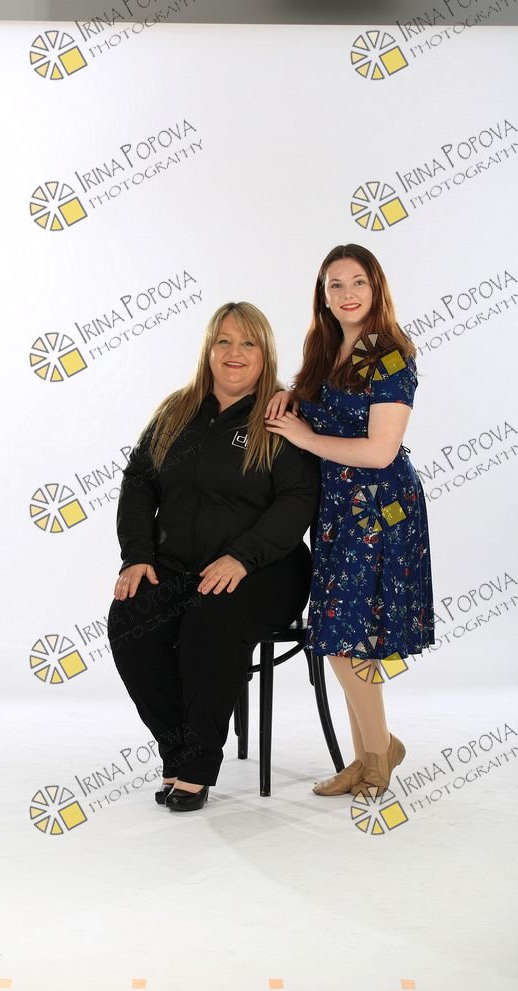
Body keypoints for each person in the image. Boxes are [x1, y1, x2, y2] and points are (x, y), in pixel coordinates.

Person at [108, 302, 319, 812]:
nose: (234, 353)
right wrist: (137, 555)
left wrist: (242, 557)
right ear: (208, 349)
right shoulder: (176, 411)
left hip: (267, 568)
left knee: (211, 619)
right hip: (179, 565)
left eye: (247, 342)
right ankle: (177, 750)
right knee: (130, 620)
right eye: (223, 341)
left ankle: (197, 767)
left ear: (265, 353)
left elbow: (298, 499)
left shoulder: (280, 416)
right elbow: (139, 483)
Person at [265, 245, 434, 797]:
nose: (347, 294)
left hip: (380, 508)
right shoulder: (325, 349)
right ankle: (367, 755)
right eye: (334, 285)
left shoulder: (389, 355)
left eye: (357, 282)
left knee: (343, 637)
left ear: (376, 287)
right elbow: (324, 406)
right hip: (337, 509)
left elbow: (382, 451)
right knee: (345, 636)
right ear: (323, 295)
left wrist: (304, 437)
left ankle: (378, 753)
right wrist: (292, 395)